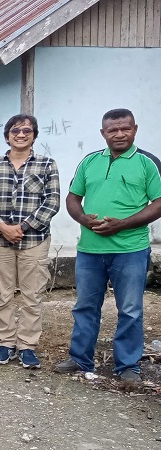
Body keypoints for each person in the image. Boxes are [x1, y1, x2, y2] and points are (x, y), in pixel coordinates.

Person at [53, 108, 161, 382]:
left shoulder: (147, 162)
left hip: (130, 249)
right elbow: (73, 198)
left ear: (135, 129)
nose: (119, 134)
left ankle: (127, 367)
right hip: (90, 250)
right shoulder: (90, 162)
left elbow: (159, 202)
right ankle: (80, 359)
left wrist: (122, 224)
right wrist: (83, 220)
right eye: (112, 130)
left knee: (130, 309)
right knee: (85, 307)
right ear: (103, 133)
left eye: (125, 128)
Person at [0, 115, 60, 369]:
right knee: (2, 294)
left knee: (32, 296)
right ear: (7, 135)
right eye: (15, 130)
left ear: (34, 135)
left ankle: (27, 346)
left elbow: (52, 202)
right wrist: (2, 226)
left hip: (35, 239)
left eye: (27, 130)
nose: (21, 134)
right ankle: (5, 344)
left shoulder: (47, 164)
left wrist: (23, 227)